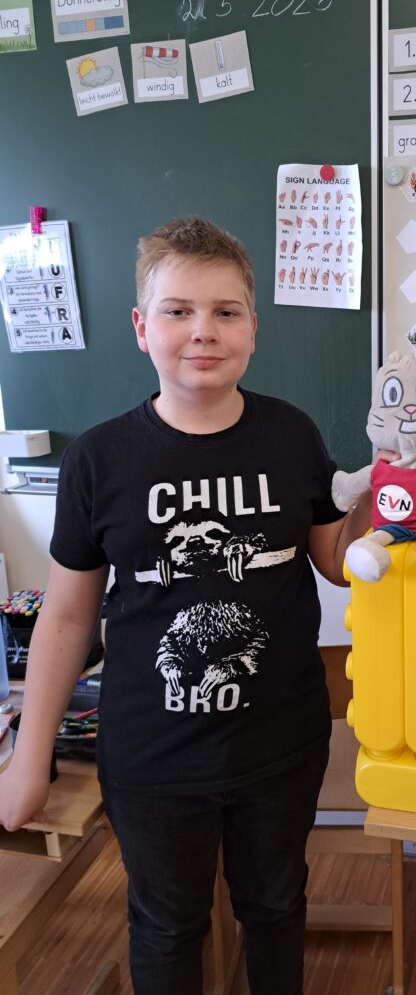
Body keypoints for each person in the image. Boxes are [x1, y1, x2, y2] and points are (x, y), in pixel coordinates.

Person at [0, 217, 378, 995]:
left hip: (280, 744)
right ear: (143, 328)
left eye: (225, 311)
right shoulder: (98, 459)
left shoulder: (291, 434)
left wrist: (390, 487)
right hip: (151, 753)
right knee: (167, 924)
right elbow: (66, 617)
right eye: (178, 310)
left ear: (252, 329)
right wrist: (29, 758)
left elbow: (337, 563)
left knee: (275, 906)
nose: (203, 330)